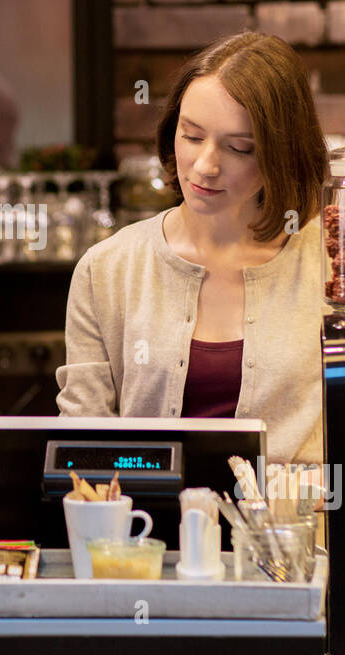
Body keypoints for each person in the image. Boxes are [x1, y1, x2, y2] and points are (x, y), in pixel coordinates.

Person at [55, 31, 329, 466]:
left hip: (294, 531)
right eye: (192, 136)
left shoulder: (331, 264)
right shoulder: (107, 269)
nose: (205, 166)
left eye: (239, 148)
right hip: (148, 533)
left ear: (282, 154)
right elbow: (81, 441)